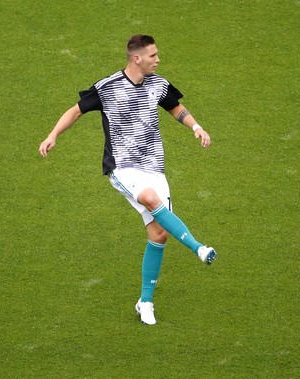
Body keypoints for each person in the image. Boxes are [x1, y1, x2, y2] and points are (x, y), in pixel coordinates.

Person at [39, 34, 216, 325]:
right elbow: (75, 111)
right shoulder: (107, 87)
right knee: (149, 198)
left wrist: (195, 126)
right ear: (137, 58)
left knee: (159, 235)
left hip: (154, 166)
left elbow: (175, 108)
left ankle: (145, 302)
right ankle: (199, 247)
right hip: (123, 167)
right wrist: (52, 135)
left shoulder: (159, 84)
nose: (158, 60)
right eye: (153, 56)